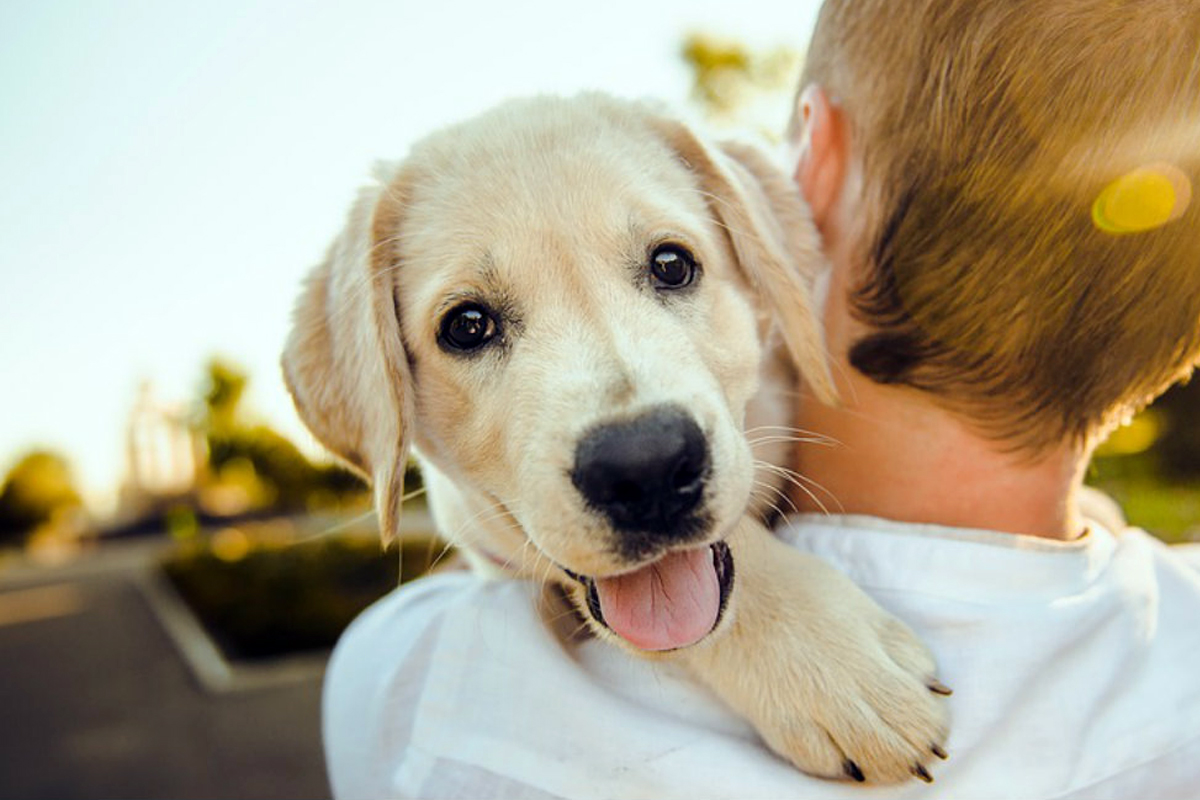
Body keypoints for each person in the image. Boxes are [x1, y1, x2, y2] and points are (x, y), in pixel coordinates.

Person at [322, 0, 1200, 797]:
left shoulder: (415, 691)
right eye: (471, 327)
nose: (635, 437)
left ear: (784, 210)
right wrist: (753, 608)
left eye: (670, 268)